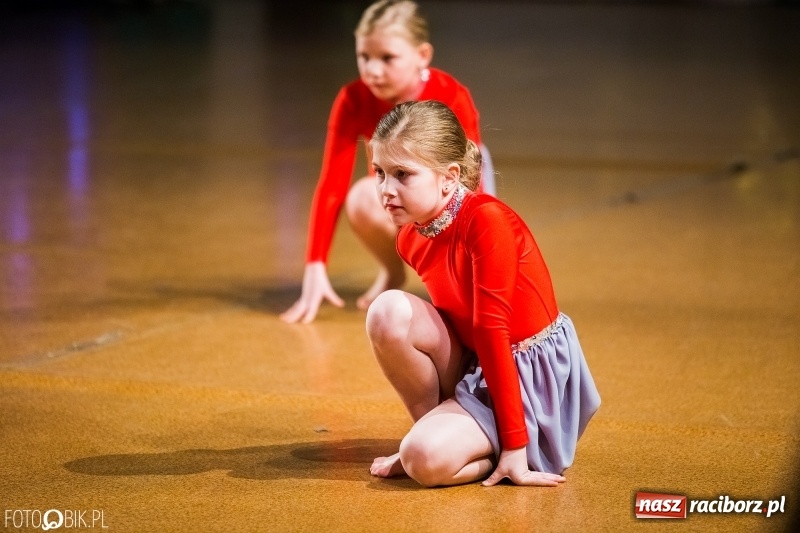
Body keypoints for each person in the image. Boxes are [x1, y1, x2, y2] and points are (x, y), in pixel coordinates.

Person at [365, 100, 601, 488]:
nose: (386, 190)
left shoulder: (486, 220)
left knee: (422, 461)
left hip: (526, 374)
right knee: (386, 312)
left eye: (402, 175)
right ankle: (430, 434)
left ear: (449, 176)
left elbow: (494, 331)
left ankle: (482, 451)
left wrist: (514, 447)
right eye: (380, 173)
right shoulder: (410, 237)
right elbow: (458, 321)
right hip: (477, 361)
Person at [281, 0, 493, 324]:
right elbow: (332, 184)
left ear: (422, 55)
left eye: (387, 58)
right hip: (402, 190)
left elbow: (469, 186)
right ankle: (393, 273)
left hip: (452, 190)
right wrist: (315, 265)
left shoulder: (451, 94)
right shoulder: (353, 99)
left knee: (467, 294)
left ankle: (448, 274)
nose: (372, 70)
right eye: (364, 57)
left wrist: (472, 264)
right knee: (361, 197)